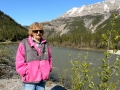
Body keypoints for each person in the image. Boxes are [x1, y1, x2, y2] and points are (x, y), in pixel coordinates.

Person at [15, 22, 52, 90]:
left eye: (40, 31)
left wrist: (48, 69)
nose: (38, 33)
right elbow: (19, 60)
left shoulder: (46, 44)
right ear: (31, 32)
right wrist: (26, 72)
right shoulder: (24, 43)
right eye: (35, 31)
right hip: (29, 80)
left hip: (42, 79)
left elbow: (50, 58)